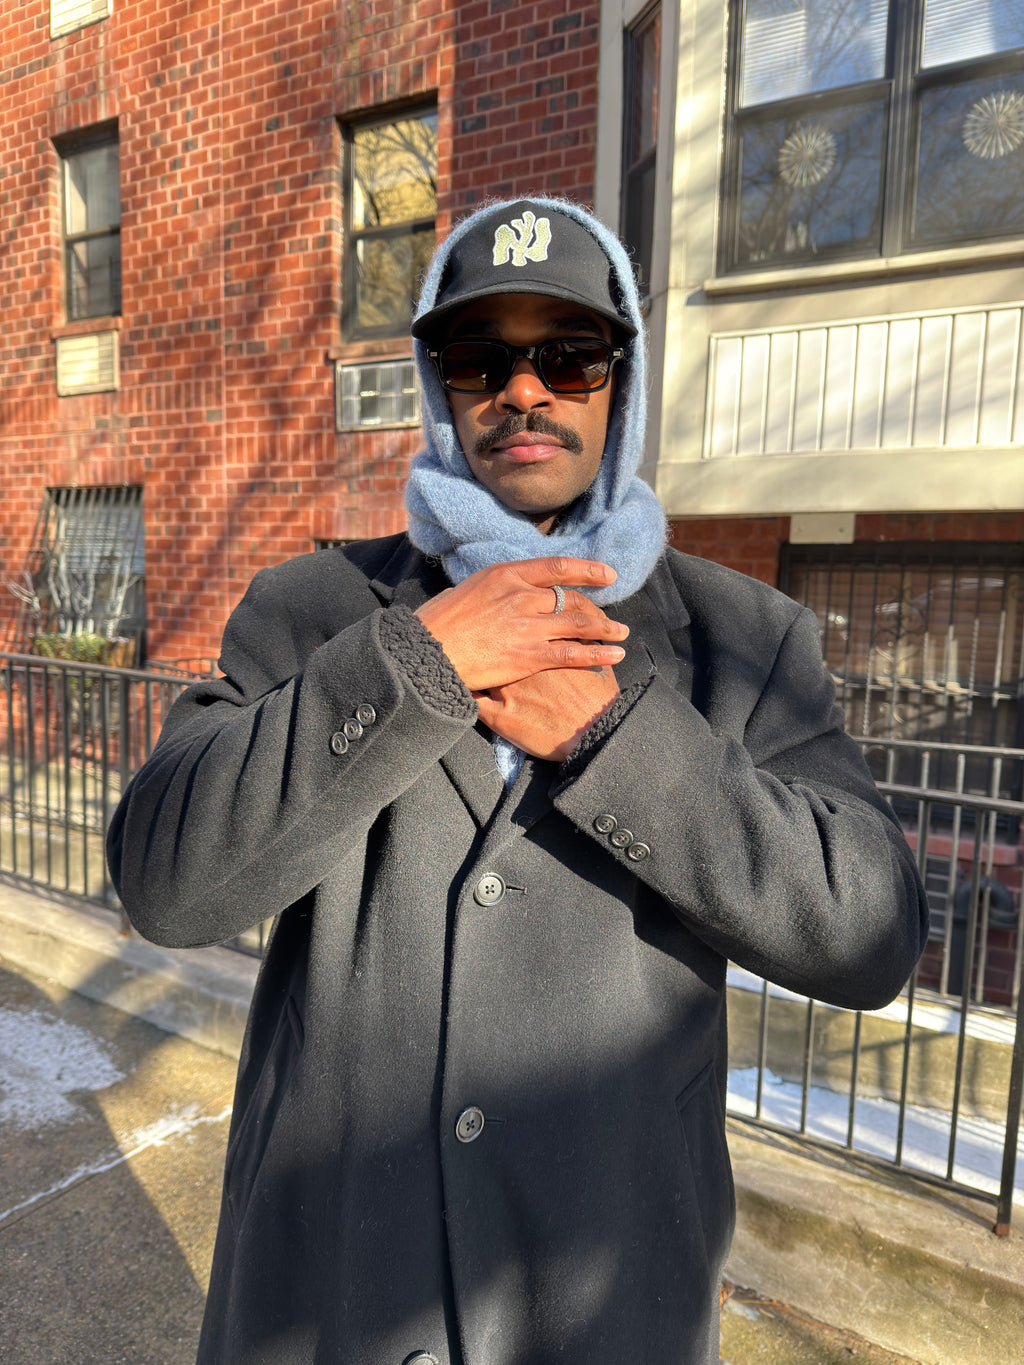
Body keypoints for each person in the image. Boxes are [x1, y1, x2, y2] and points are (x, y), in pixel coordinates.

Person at [107, 197, 928, 1365]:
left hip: (604, 1305)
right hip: (333, 1293)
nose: (523, 390)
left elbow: (870, 934)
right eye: (479, 359)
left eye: (569, 355)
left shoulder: (742, 638)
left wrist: (611, 739)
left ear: (618, 384)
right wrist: (414, 667)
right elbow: (164, 882)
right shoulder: (312, 608)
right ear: (440, 386)